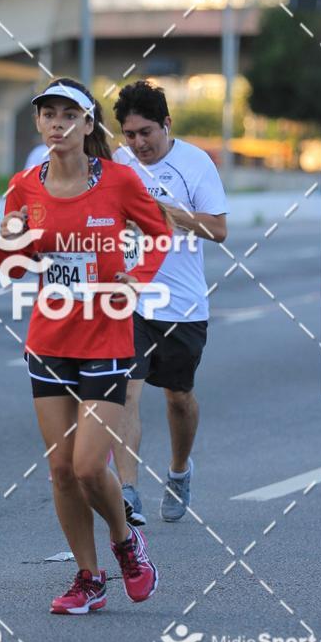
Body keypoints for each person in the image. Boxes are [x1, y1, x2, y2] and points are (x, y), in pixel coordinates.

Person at [0, 77, 172, 614]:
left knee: (91, 465)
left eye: (68, 114)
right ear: (39, 123)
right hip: (49, 340)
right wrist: (15, 237)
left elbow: (159, 233)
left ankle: (125, 544)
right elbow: (11, 268)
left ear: (88, 124)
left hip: (107, 336)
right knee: (60, 470)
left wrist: (137, 279)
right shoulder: (24, 185)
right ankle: (88, 579)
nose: (56, 123)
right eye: (47, 114)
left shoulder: (117, 181)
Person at [111, 80, 228, 524]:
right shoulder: (118, 164)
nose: (138, 144)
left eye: (146, 133)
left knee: (179, 398)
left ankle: (179, 471)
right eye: (130, 134)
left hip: (182, 304)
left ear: (166, 125)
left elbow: (219, 230)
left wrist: (168, 213)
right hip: (131, 298)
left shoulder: (195, 164)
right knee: (126, 390)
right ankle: (127, 491)